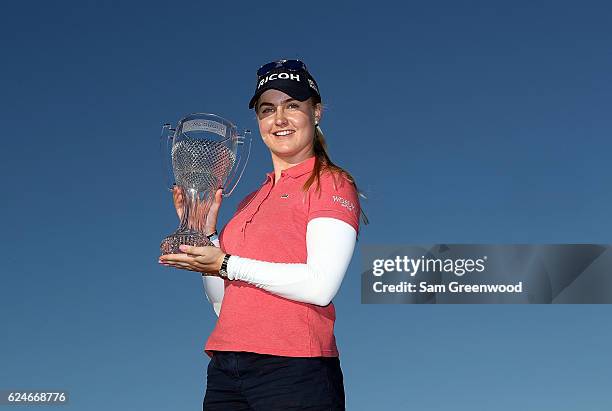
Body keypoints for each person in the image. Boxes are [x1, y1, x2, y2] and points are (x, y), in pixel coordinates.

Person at [159, 59, 366, 410]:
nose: (279, 119)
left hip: (295, 367)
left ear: (316, 113)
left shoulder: (331, 182)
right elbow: (222, 303)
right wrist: (205, 234)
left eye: (293, 106)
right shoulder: (247, 201)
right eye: (267, 109)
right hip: (226, 368)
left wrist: (224, 262)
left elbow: (320, 286)